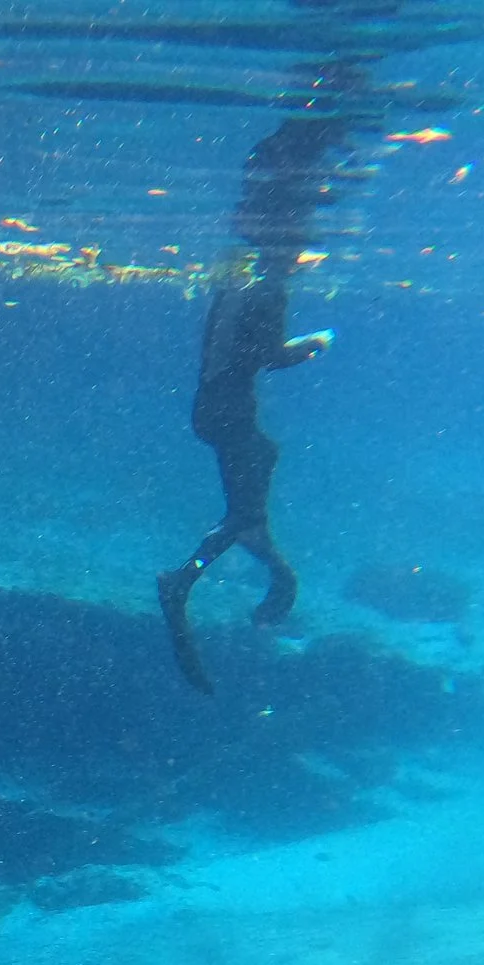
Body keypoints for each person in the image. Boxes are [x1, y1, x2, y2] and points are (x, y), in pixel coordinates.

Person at [155, 253, 332, 693]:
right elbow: (270, 355)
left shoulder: (233, 283)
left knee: (250, 501)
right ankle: (184, 578)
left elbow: (235, 350)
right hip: (231, 412)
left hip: (214, 407)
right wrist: (316, 343)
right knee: (244, 513)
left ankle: (275, 575)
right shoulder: (270, 287)